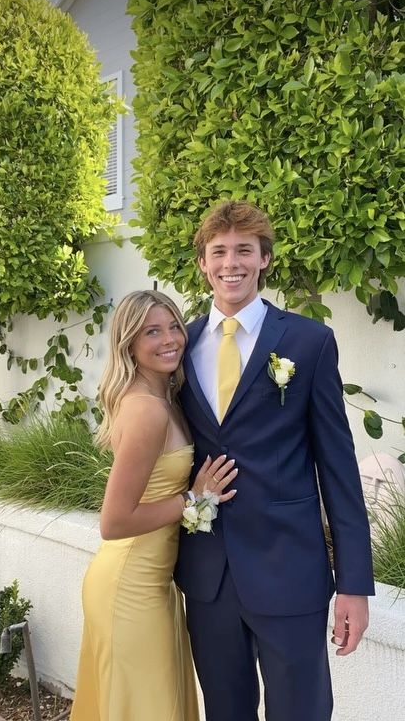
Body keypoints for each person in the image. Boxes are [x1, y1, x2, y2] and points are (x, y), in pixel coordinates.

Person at [175, 200, 375, 721]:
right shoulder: (180, 344)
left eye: (245, 250)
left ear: (264, 258)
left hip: (290, 571)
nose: (231, 263)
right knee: (225, 711)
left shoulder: (308, 342)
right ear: (203, 262)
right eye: (218, 252)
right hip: (208, 576)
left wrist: (353, 582)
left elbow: (338, 467)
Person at [69, 290, 237, 721]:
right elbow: (114, 520)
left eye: (174, 327)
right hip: (130, 587)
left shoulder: (166, 398)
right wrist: (193, 498)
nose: (170, 339)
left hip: (156, 583)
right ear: (129, 343)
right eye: (152, 331)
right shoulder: (147, 410)